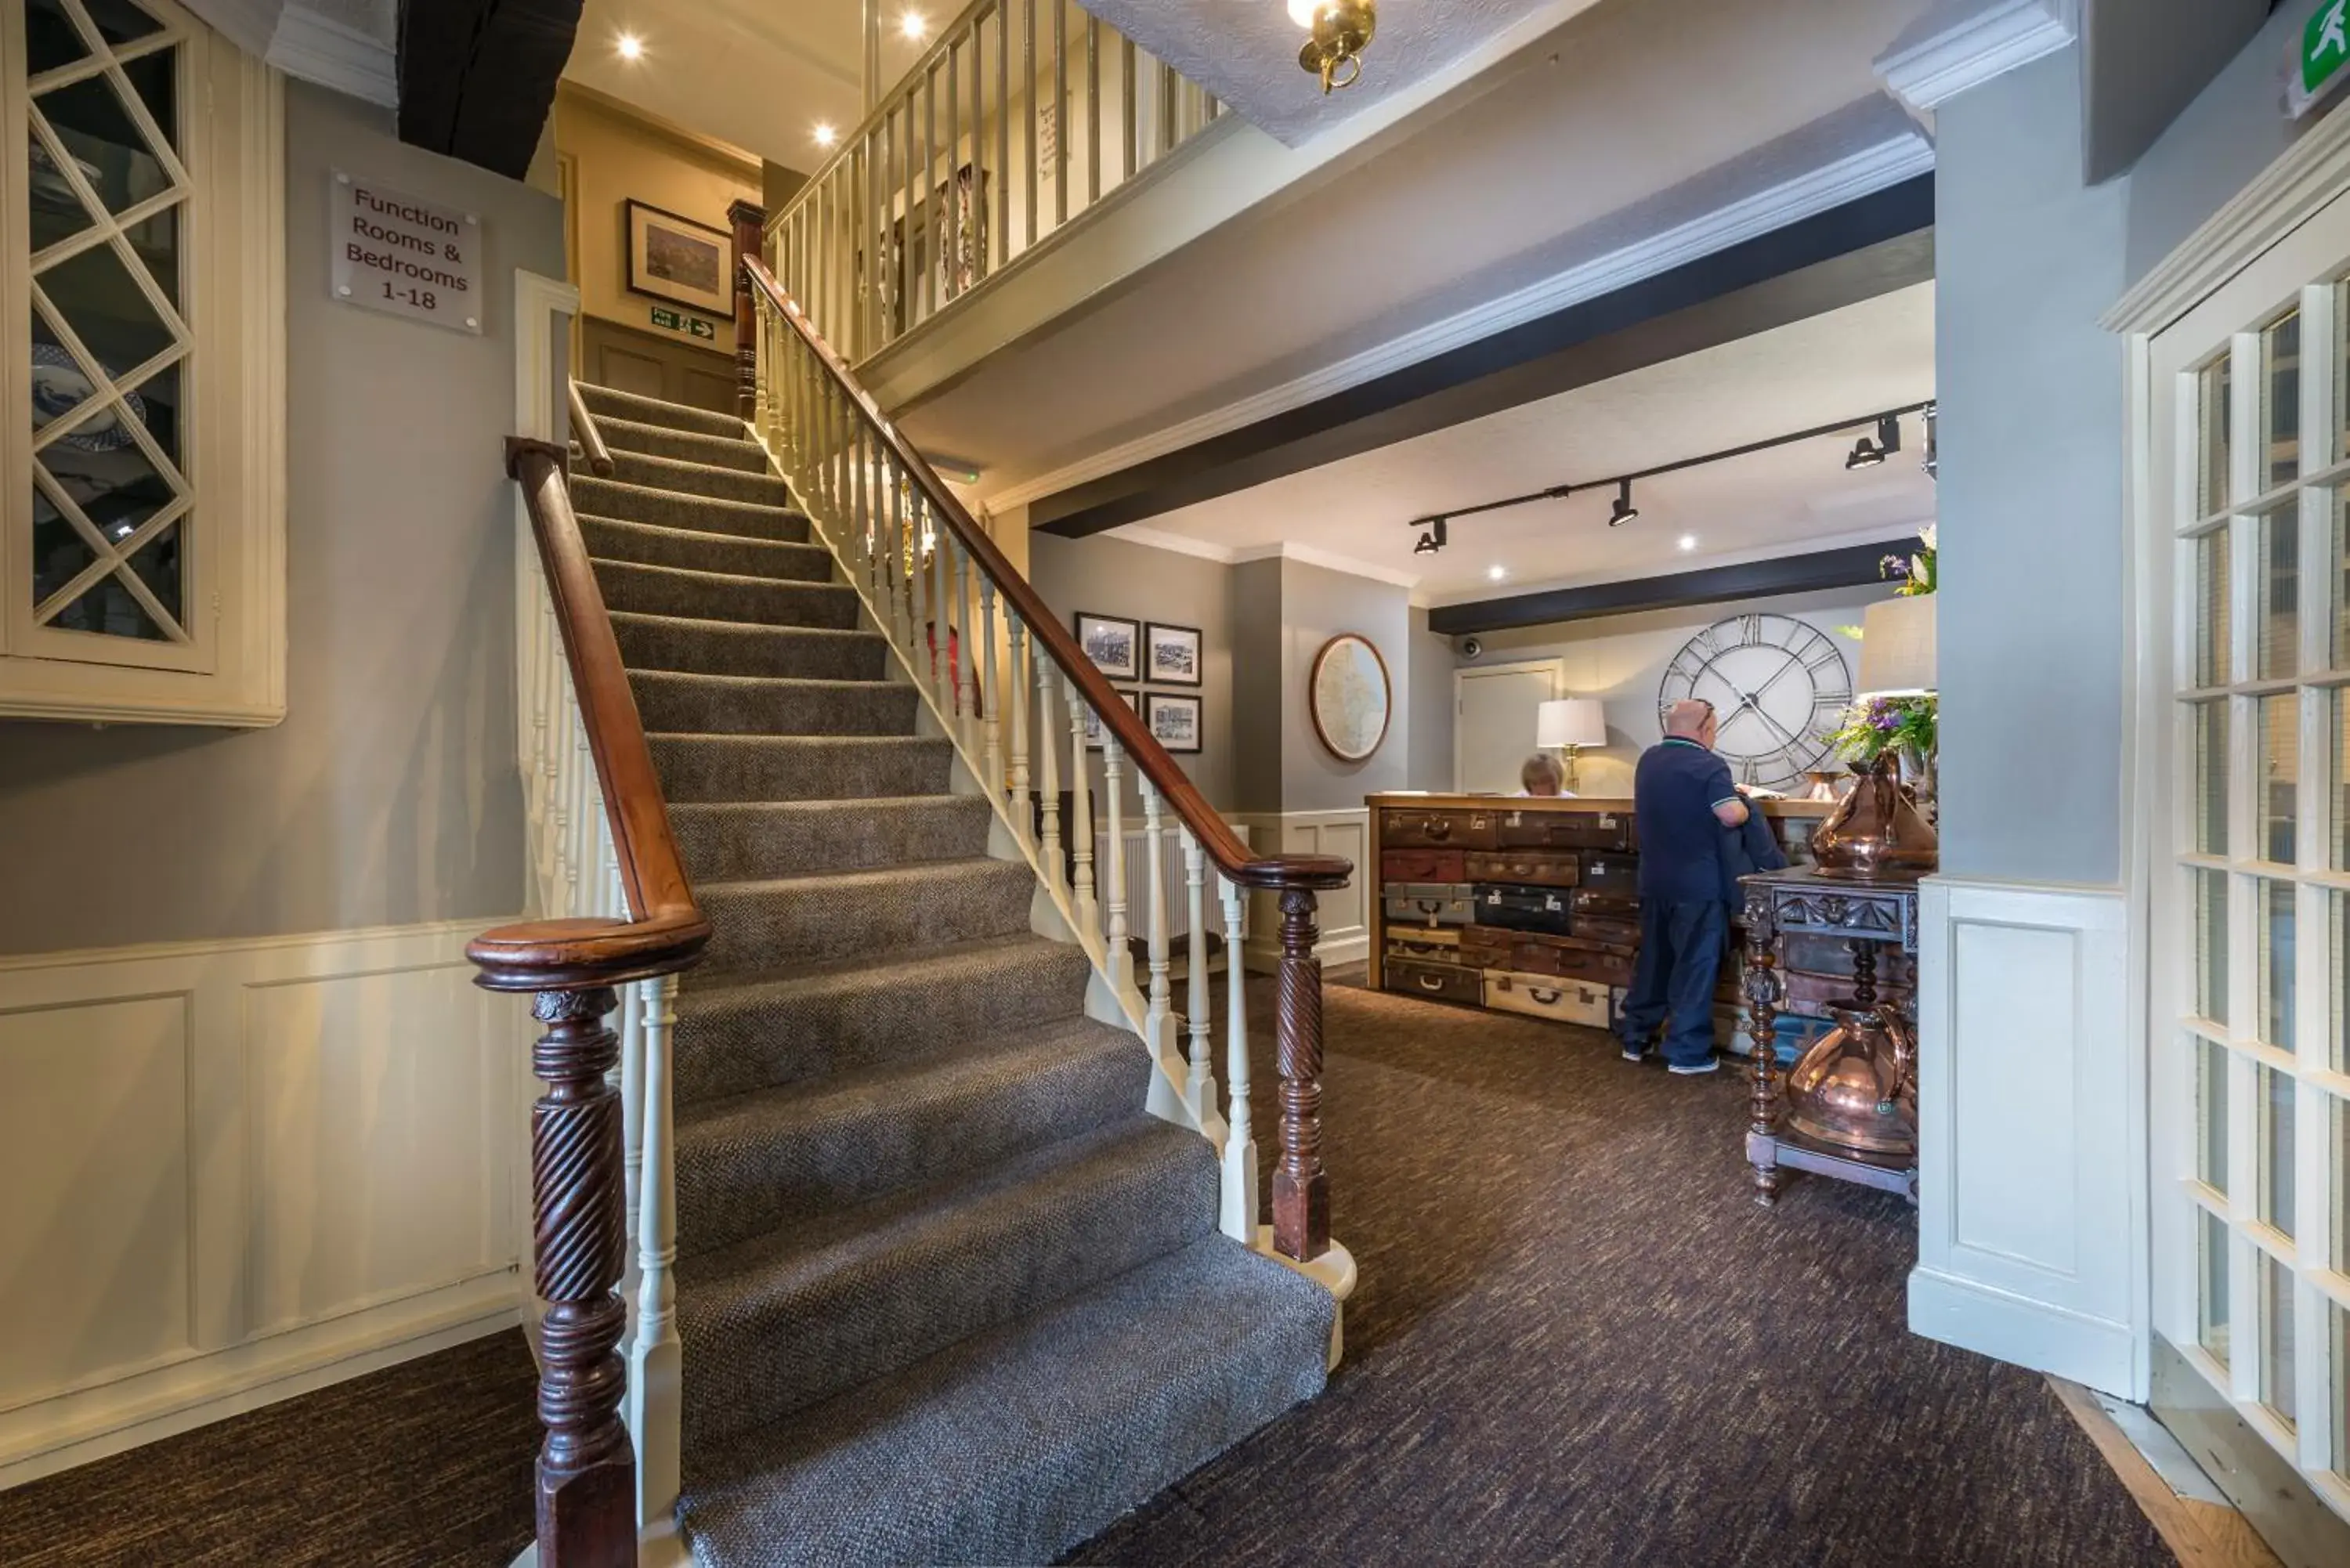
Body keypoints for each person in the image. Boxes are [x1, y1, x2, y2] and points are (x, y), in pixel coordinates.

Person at [1618, 699, 1750, 1074]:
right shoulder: (1709, 765)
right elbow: (1729, 813)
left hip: (1655, 880)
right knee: (1695, 966)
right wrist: (1742, 802)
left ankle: (1635, 1039)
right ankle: (1688, 1053)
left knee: (1653, 962)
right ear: (1705, 728)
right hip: (1698, 885)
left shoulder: (1649, 760)